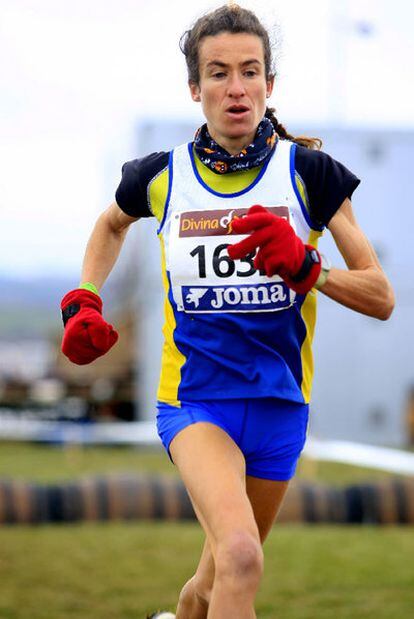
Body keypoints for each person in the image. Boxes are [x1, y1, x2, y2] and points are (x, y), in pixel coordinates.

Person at [60, 4, 394, 618]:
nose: (236, 88)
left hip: (280, 409)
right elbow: (109, 226)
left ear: (270, 84)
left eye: (250, 71)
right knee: (242, 557)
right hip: (195, 401)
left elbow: (381, 297)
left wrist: (306, 267)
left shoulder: (313, 177)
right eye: (218, 73)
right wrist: (83, 298)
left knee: (214, 583)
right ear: (195, 88)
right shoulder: (159, 177)